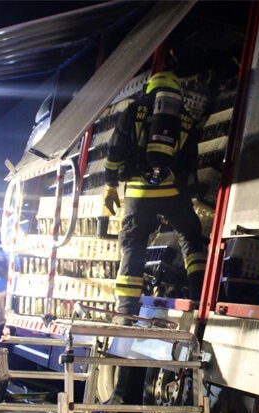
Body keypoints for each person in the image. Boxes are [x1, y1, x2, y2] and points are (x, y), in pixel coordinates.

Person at [103, 71, 206, 317]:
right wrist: (187, 193)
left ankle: (126, 311)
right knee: (191, 237)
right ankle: (200, 297)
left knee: (133, 246)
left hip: (139, 193)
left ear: (150, 87)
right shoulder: (186, 118)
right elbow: (190, 162)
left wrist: (110, 184)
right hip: (172, 191)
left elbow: (116, 149)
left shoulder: (133, 110)